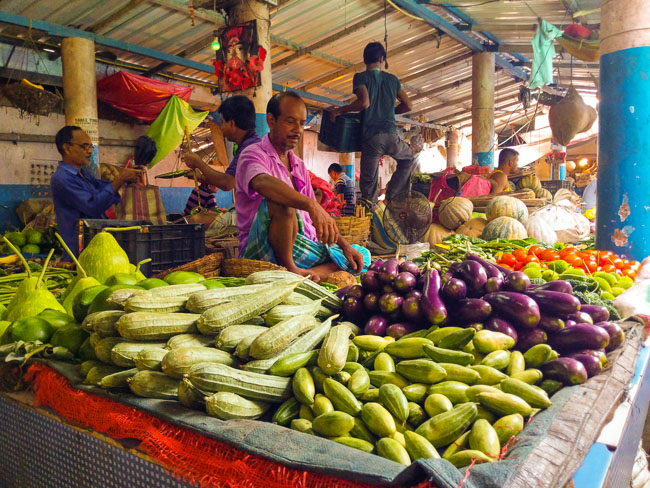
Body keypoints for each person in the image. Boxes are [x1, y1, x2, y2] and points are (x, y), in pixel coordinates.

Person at [235, 92, 368, 281]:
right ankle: (291, 270)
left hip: (304, 246)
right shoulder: (253, 154)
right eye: (290, 121)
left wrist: (344, 246)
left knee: (359, 254)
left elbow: (311, 218)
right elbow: (262, 182)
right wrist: (311, 205)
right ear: (271, 121)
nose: (298, 130)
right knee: (283, 201)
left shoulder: (298, 165)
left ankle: (312, 274)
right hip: (266, 247)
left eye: (301, 123)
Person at [330, 42, 414, 206]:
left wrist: (340, 110)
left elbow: (364, 103)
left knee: (369, 187)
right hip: (391, 136)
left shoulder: (361, 77)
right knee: (408, 160)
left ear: (365, 60)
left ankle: (370, 224)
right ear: (382, 58)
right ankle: (392, 195)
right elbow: (408, 105)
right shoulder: (392, 79)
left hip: (372, 137)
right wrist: (390, 111)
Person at [50, 126, 141, 255]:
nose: (89, 151)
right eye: (84, 146)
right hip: (78, 249)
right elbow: (93, 206)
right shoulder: (62, 179)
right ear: (67, 148)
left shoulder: (83, 175)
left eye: (91, 147)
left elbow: (104, 191)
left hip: (93, 244)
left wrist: (125, 179)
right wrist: (119, 180)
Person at [182, 95, 261, 190]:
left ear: (232, 123)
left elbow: (227, 183)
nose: (221, 127)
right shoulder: (250, 144)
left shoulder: (249, 149)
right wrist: (200, 177)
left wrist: (198, 163)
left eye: (223, 122)